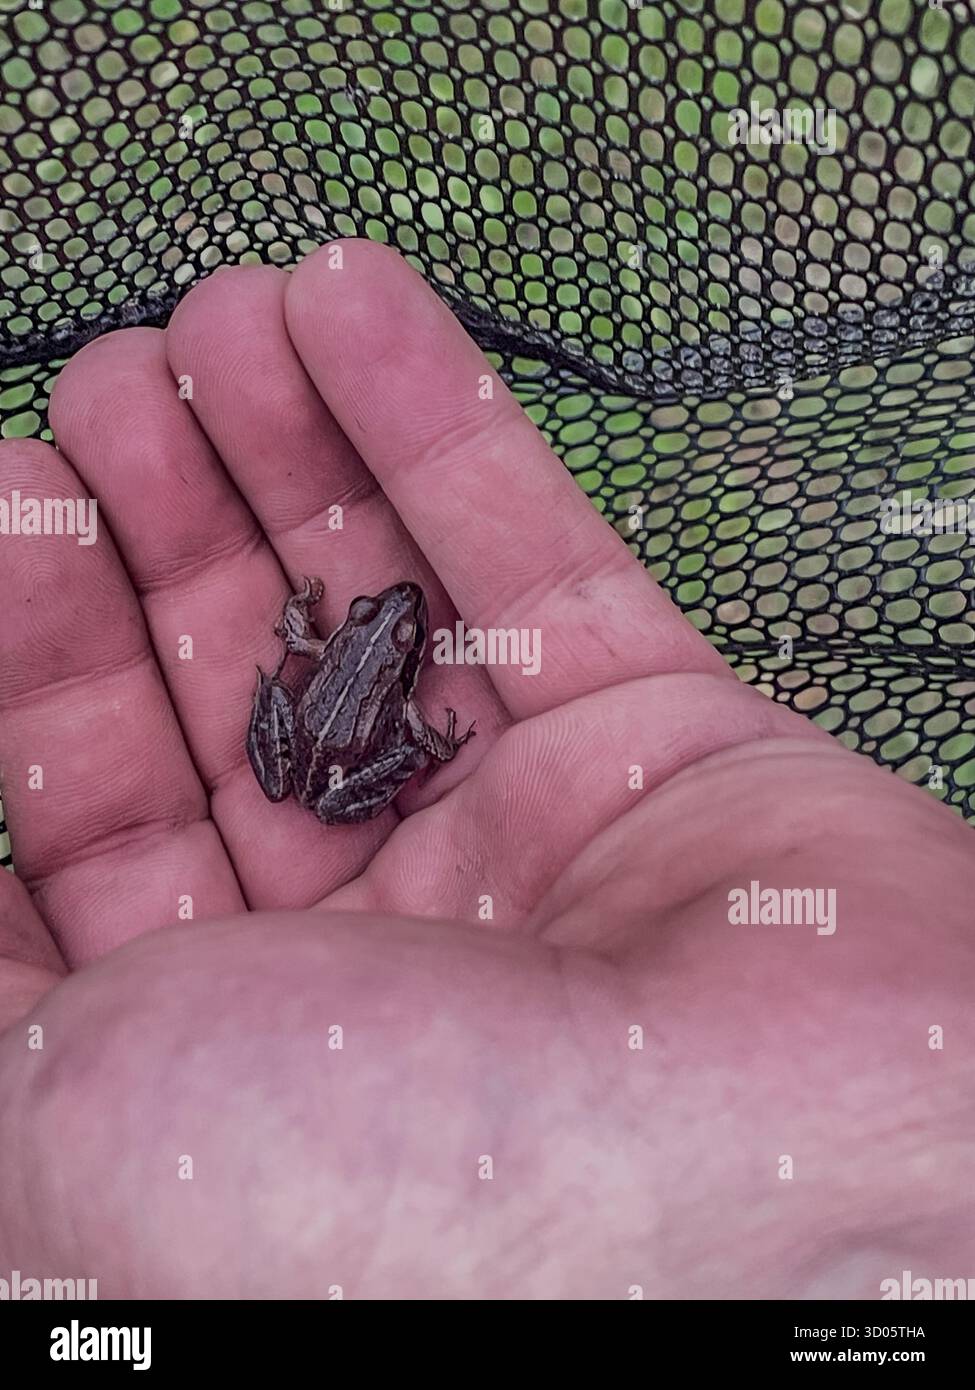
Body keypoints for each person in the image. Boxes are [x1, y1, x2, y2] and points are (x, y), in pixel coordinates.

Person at [0, 242, 971, 1299]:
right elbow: (387, 716)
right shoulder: (389, 678)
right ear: (390, 641)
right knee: (316, 737)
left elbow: (315, 653)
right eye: (383, 618)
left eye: (387, 625)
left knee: (293, 713)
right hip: (329, 767)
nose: (388, 618)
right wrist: (416, 733)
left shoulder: (347, 656)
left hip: (310, 754)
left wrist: (305, 658)